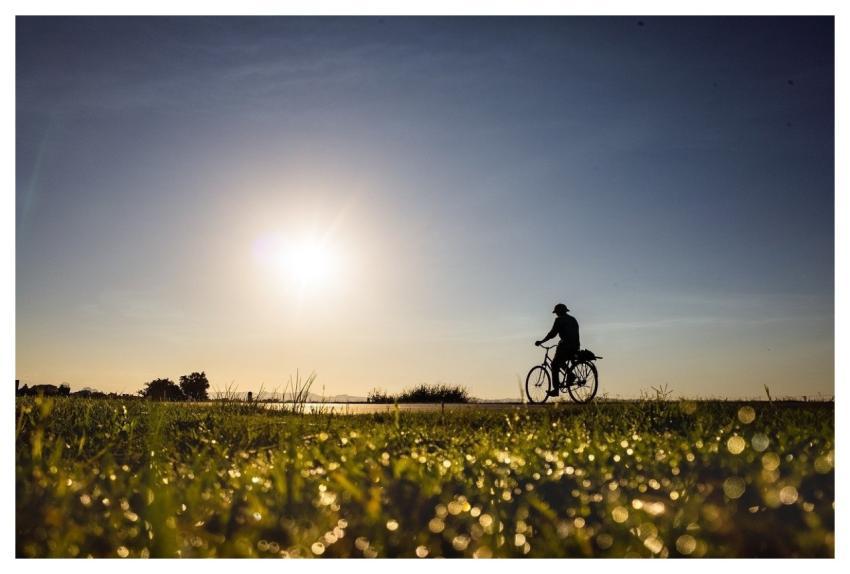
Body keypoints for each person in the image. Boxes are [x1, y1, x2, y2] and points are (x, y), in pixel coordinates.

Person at [535, 303, 580, 397]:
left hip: (565, 346)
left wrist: (542, 341)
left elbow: (552, 334)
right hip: (575, 346)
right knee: (560, 361)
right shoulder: (573, 319)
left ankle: (556, 390)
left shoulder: (559, 320)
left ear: (559, 312)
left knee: (554, 364)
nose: (556, 314)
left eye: (556, 312)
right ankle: (570, 375)